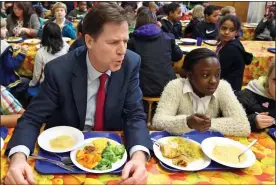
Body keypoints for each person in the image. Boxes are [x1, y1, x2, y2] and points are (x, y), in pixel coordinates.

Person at [5, 3, 152, 185]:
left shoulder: (130, 62)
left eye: (125, 41)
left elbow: (134, 115)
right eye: (113, 42)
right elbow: (32, 118)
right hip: (63, 159)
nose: (122, 50)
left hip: (112, 155)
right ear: (89, 41)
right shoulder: (59, 70)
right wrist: (18, 159)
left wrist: (138, 157)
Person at [152, 48, 250, 136]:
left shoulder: (223, 87)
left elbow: (243, 125)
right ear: (190, 76)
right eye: (205, 75)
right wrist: (187, 123)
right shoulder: (175, 86)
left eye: (217, 74)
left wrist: (207, 124)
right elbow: (158, 122)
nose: (214, 81)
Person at [128, 8, 183, 97]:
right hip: (168, 86)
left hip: (142, 88)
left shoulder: (132, 41)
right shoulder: (168, 37)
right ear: (156, 22)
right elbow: (178, 56)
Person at [236, 61, 275, 132]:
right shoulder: (246, 97)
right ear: (268, 78)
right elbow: (225, 119)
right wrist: (253, 122)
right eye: (275, 80)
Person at [216, 15, 253, 91]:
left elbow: (218, 71)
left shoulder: (230, 49)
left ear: (236, 33)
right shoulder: (228, 43)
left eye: (231, 30)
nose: (226, 32)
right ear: (219, 28)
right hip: (229, 84)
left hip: (228, 89)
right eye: (224, 28)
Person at [29, 22, 69, 87]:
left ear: (44, 35)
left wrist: (32, 84)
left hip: (47, 86)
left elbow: (37, 74)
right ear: (59, 34)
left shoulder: (41, 52)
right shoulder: (66, 47)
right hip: (63, 84)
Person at [0, 18, 28, 93]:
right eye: (3, 28)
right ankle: (13, 98)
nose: (6, 30)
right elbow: (11, 65)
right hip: (5, 81)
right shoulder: (4, 47)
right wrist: (22, 53)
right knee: (27, 81)